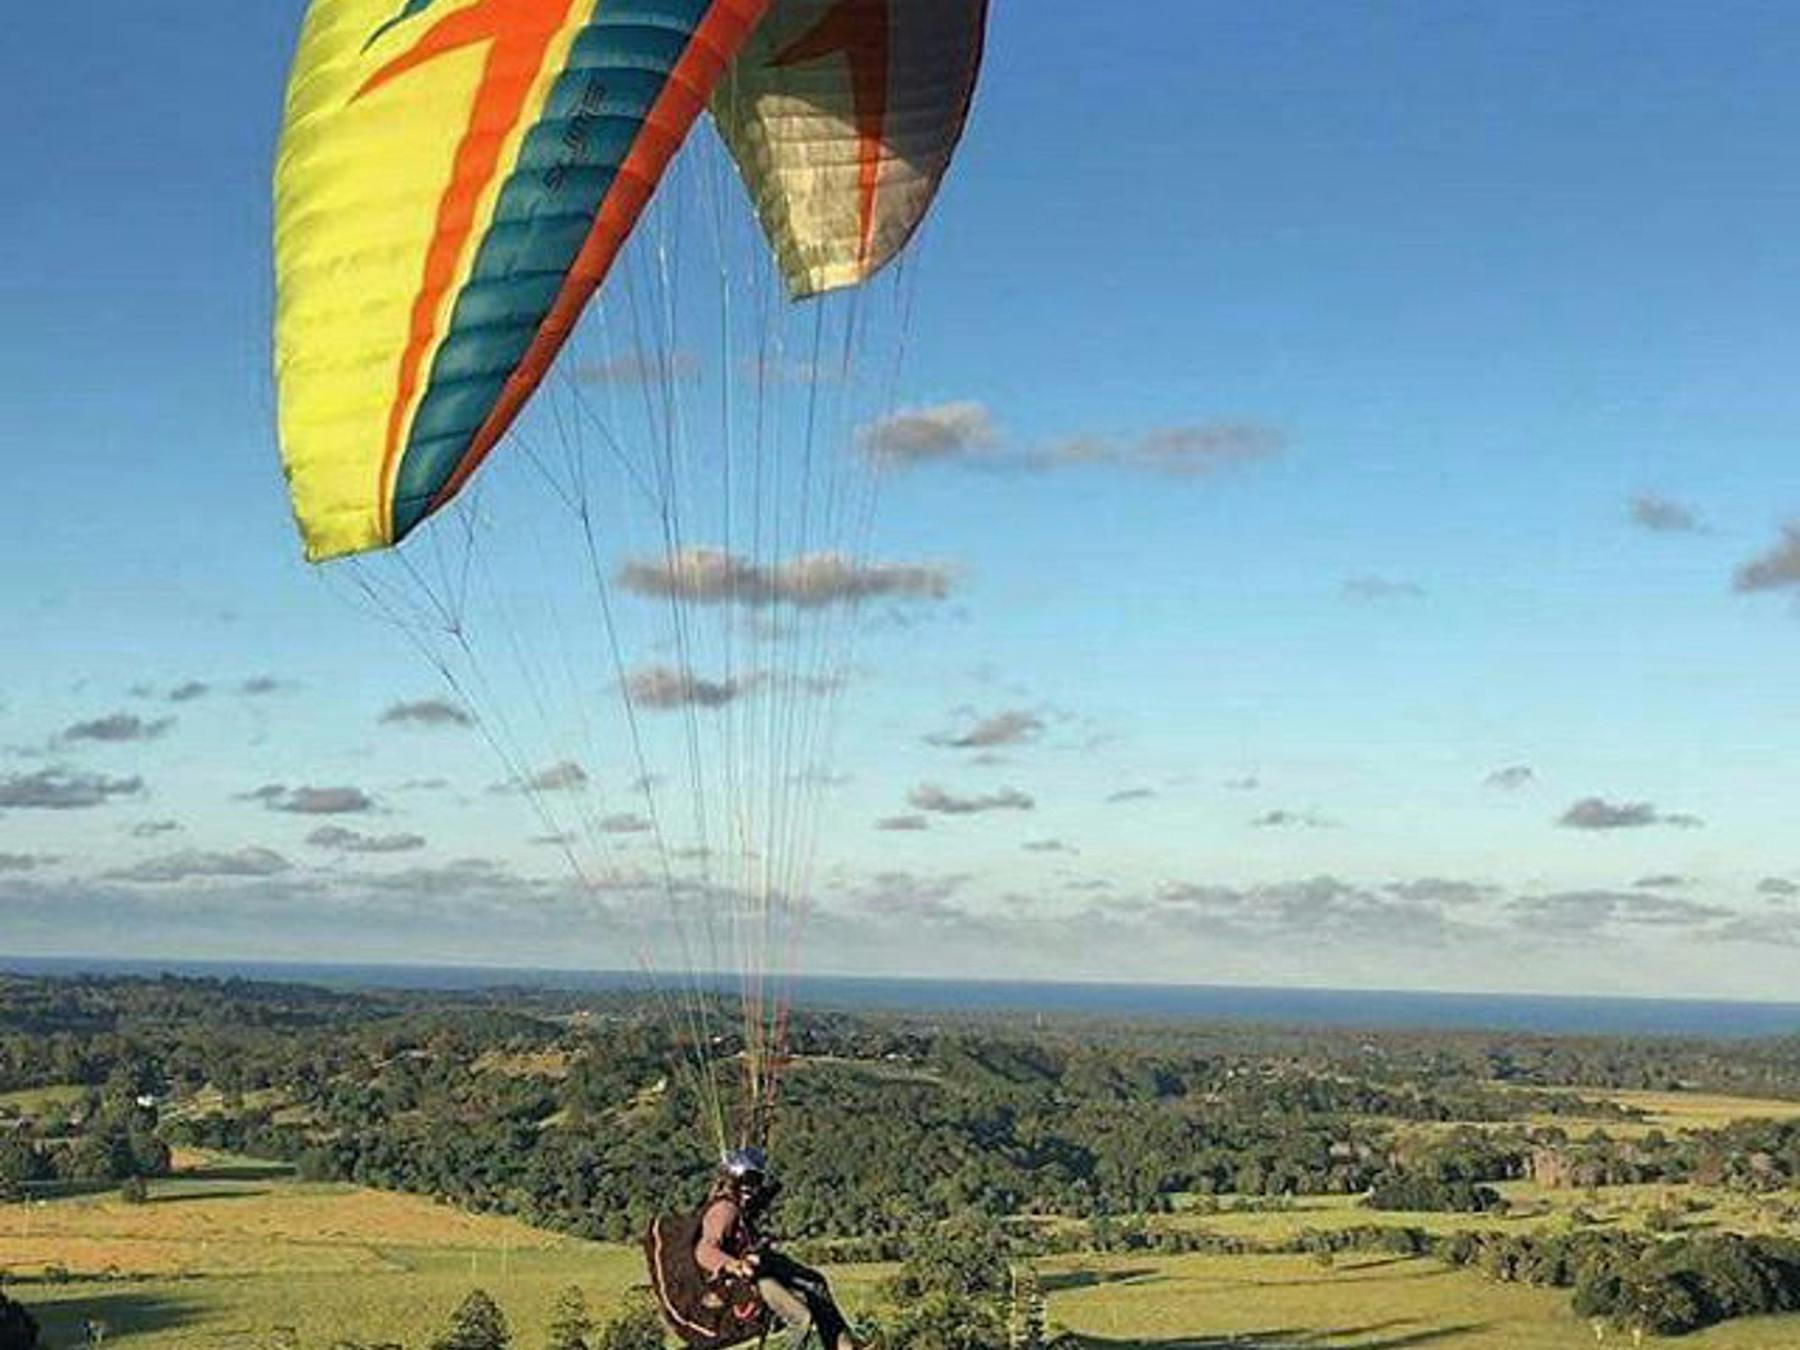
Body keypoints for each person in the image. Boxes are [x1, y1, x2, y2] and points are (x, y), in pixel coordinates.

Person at [695, 1148, 856, 1350]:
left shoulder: (742, 1205)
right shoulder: (725, 1210)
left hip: (758, 1265)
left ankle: (845, 1347)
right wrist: (733, 1264)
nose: (754, 1187)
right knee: (801, 1317)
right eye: (750, 1180)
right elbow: (704, 1250)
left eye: (758, 1181)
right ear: (735, 1180)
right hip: (742, 1280)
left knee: (816, 1283)